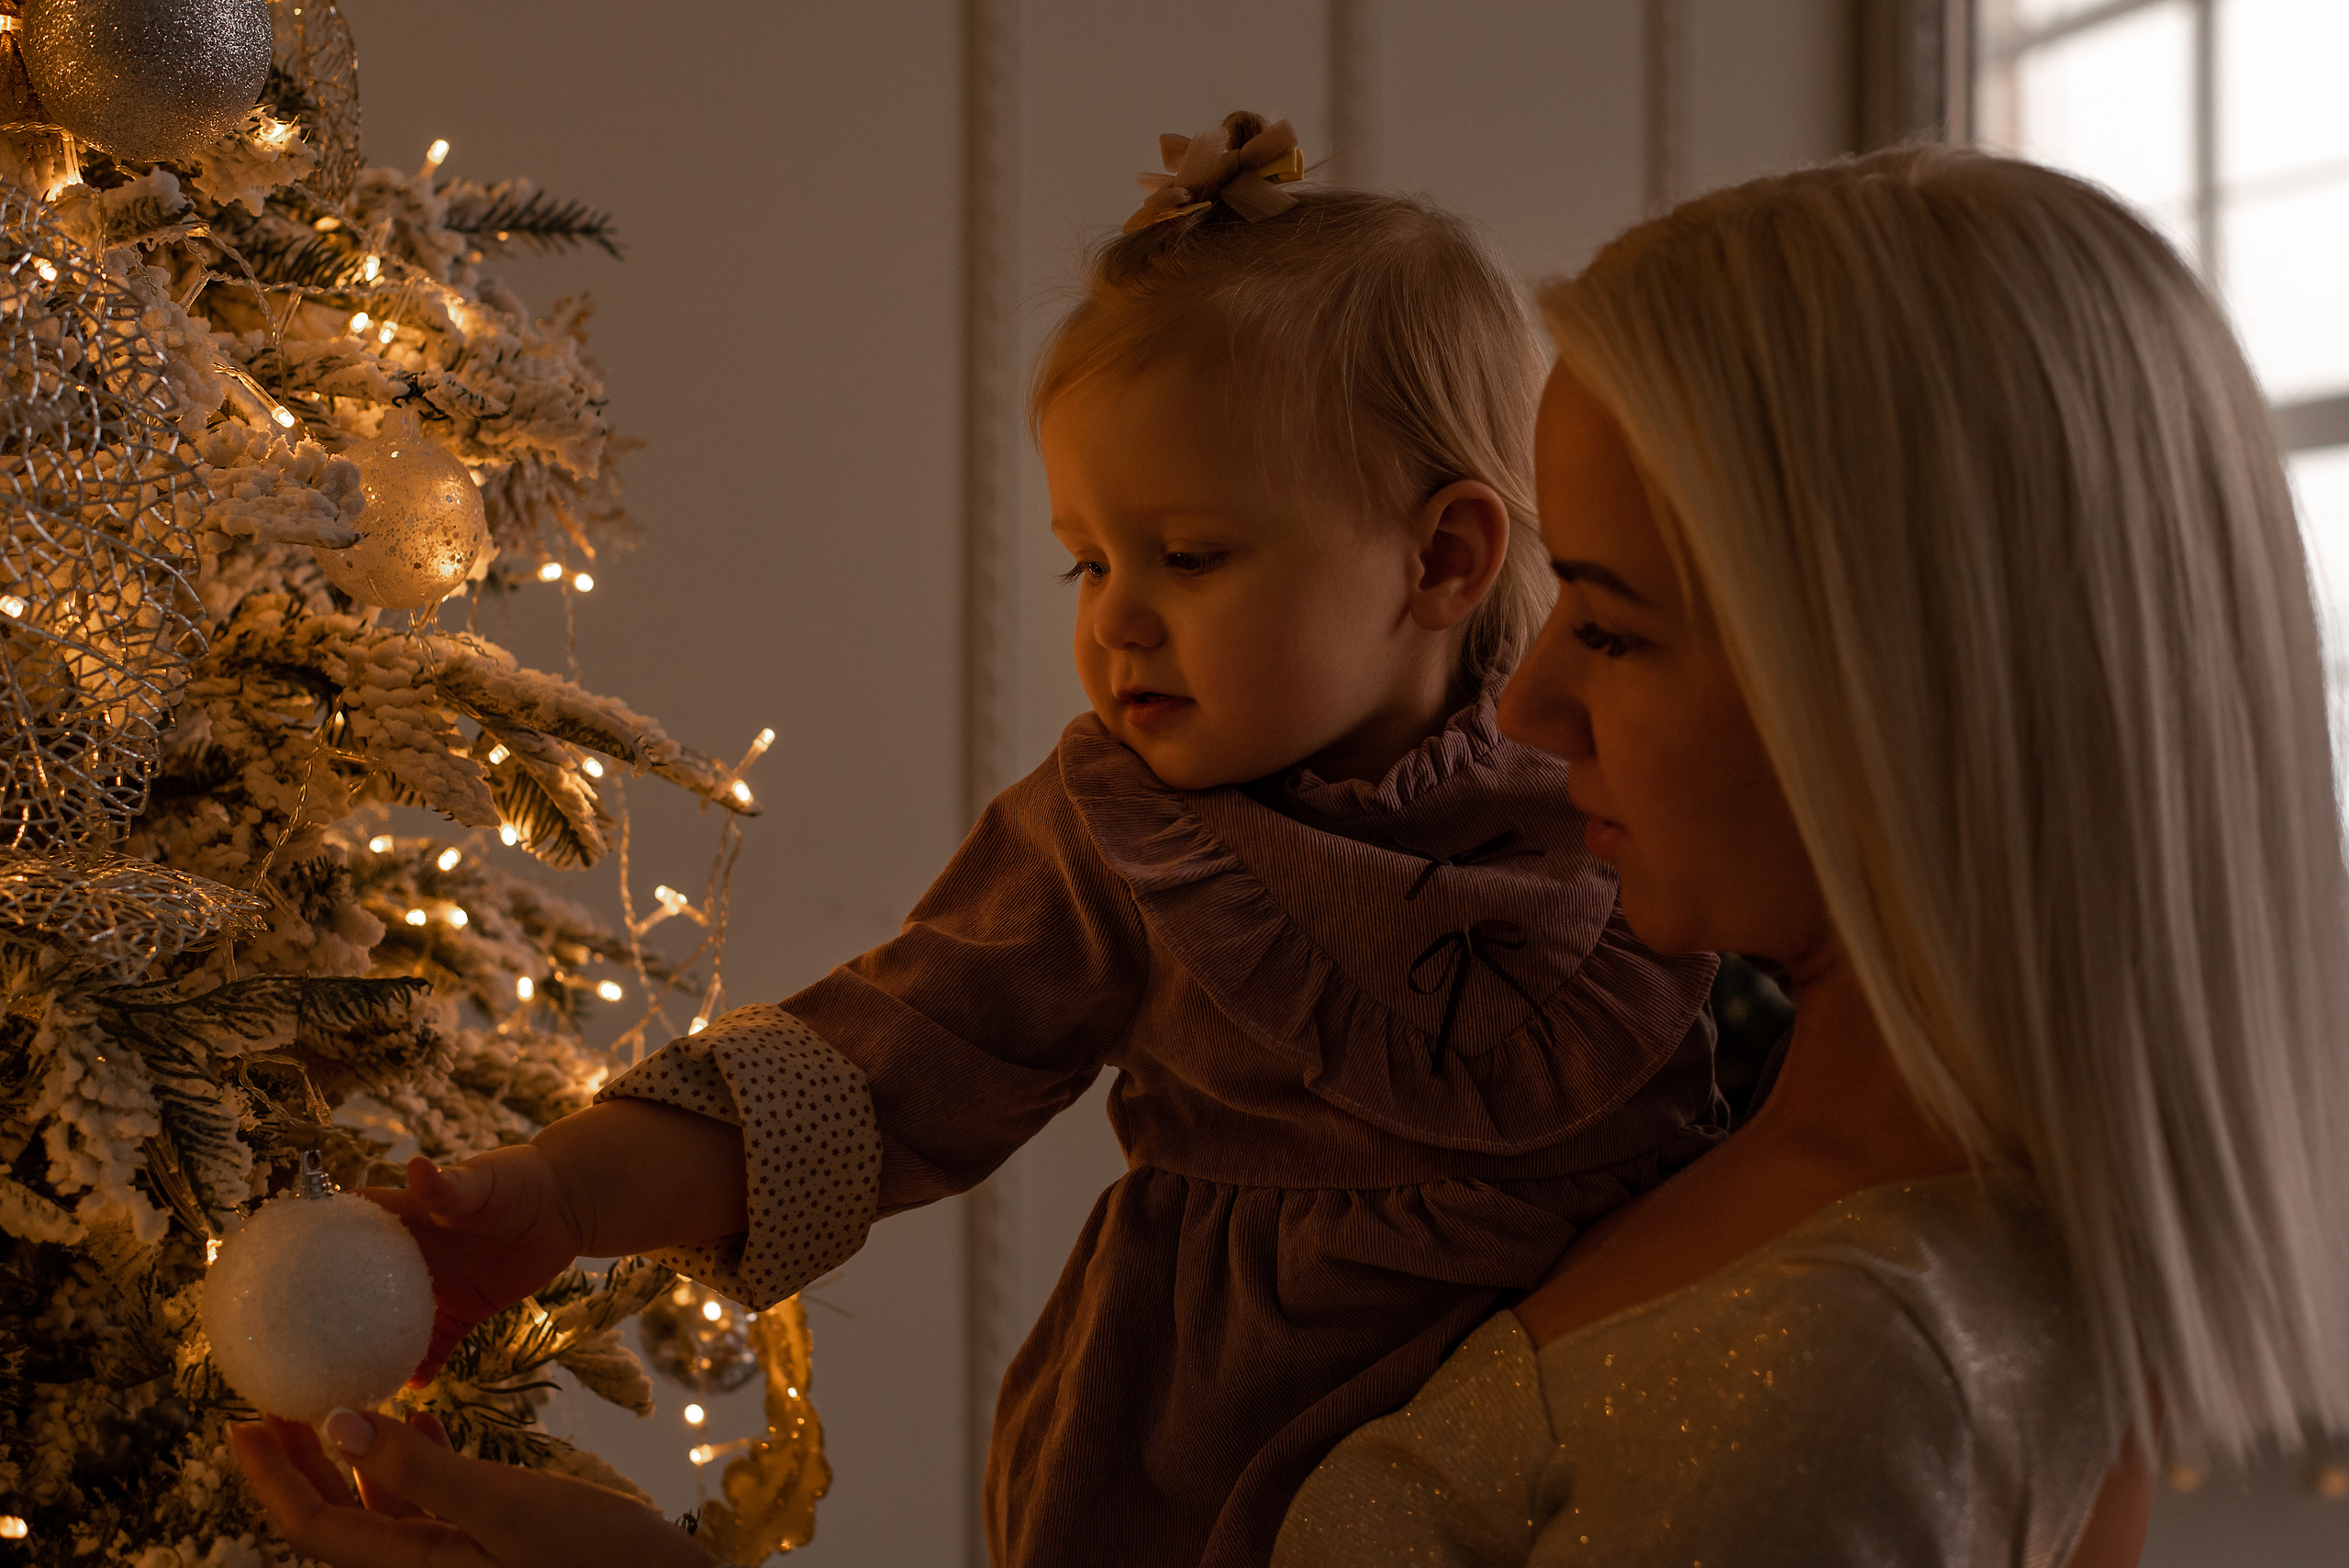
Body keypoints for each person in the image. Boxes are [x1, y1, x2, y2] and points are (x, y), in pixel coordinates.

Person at [234, 112, 1723, 1568]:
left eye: (1189, 556)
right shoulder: (1128, 833)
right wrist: (563, 1194)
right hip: (1198, 1467)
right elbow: (869, 1064)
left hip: (1605, 1449)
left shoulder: (1611, 785)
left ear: (1445, 556)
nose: (1115, 617)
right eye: (1089, 558)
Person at [1271, 147, 2349, 1563]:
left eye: (1609, 624)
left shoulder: (1854, 1362)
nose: (1527, 707)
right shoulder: (1843, 1201)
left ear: (1894, 689)